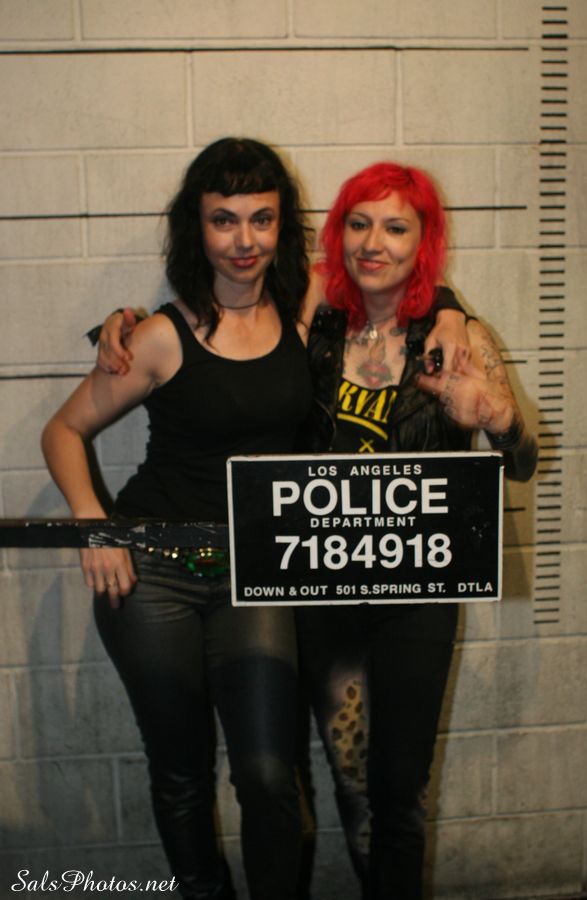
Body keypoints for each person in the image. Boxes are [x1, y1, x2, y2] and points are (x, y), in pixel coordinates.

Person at [43, 140, 469, 900]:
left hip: (256, 574)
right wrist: (94, 526)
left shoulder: (304, 308)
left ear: (282, 225)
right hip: (153, 572)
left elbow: (397, 280)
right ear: (197, 227)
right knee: (181, 769)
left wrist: (452, 313)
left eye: (261, 219)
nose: (243, 240)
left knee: (271, 776)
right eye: (223, 220)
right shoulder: (161, 334)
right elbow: (63, 431)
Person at [294, 162, 538, 899]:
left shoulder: (457, 339)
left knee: (400, 789)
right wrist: (126, 321)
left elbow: (523, 460)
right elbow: (222, 309)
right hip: (323, 592)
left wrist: (496, 417)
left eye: (396, 227)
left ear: (423, 242)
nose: (374, 243)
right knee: (350, 783)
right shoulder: (312, 325)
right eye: (359, 224)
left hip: (417, 596)